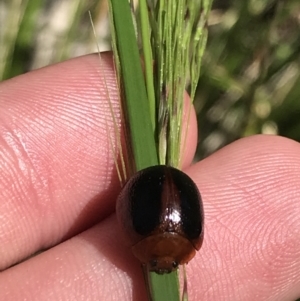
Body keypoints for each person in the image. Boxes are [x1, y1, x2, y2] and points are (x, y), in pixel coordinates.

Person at [0, 53, 299, 301]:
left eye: (156, 262)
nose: (163, 268)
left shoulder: (180, 237)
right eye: (163, 262)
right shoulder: (155, 237)